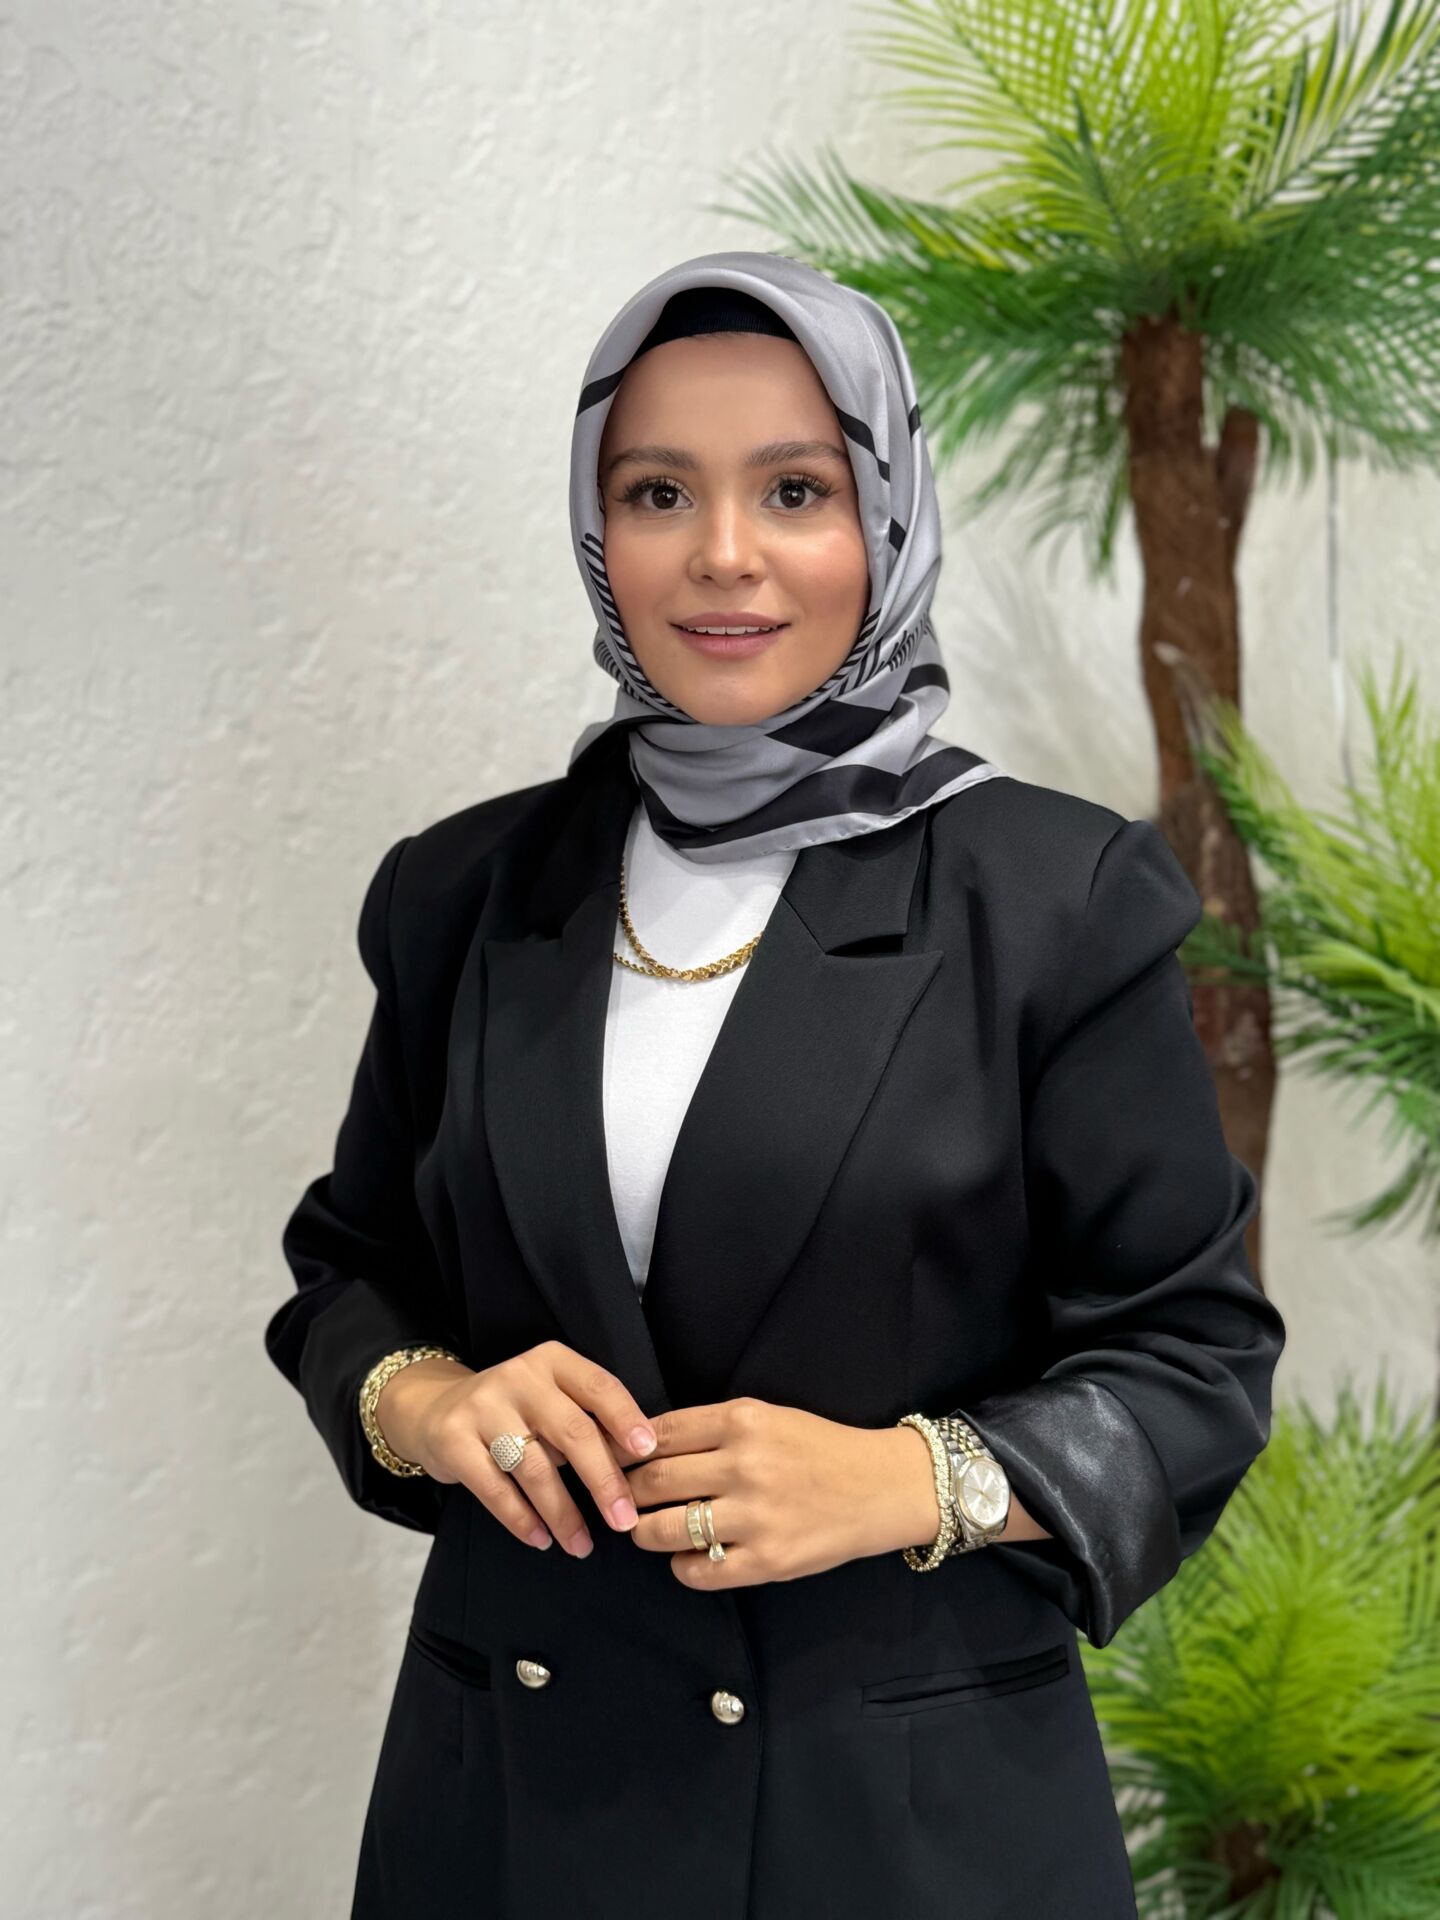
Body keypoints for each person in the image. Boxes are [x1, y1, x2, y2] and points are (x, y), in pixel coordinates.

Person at [264, 250, 1287, 1920]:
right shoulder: (466, 893)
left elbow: (1197, 1363)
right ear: (597, 526)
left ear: (884, 518)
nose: (723, 554)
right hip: (514, 1807)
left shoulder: (1057, 901)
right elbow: (349, 1273)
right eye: (659, 491)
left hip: (897, 1827)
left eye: (796, 490)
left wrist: (912, 1479)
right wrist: (428, 1401)